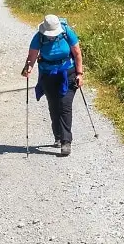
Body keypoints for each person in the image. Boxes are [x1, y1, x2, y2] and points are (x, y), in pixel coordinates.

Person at [22, 14, 84, 157]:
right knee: (54, 106)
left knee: (65, 105)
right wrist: (28, 68)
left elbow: (77, 53)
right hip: (48, 74)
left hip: (68, 72)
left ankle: (66, 142)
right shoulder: (39, 37)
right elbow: (31, 57)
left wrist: (80, 74)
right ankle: (57, 136)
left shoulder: (67, 32)